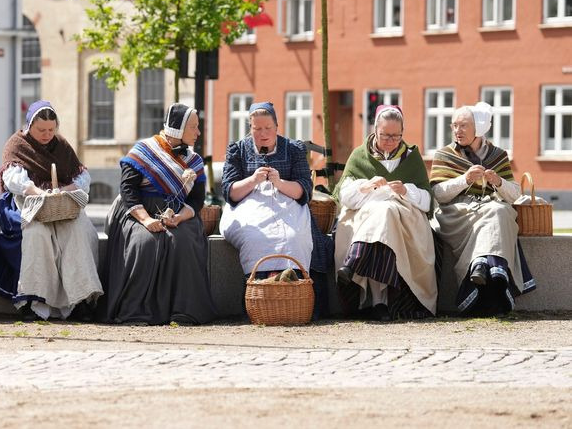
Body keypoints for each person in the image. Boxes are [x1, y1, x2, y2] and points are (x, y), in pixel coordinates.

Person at [0, 100, 102, 320]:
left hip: (62, 204)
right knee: (37, 234)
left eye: (51, 129)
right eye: (41, 130)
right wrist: (38, 193)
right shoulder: (16, 144)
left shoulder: (62, 144)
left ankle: (80, 300)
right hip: (26, 201)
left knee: (79, 231)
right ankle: (35, 301)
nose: (47, 134)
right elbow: (13, 179)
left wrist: (67, 189)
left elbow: (81, 176)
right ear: (30, 125)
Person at [101, 103, 217, 325]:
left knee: (183, 241)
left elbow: (196, 199)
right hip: (138, 211)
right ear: (178, 129)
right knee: (144, 243)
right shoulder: (143, 152)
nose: (198, 132)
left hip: (179, 214)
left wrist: (180, 217)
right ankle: (135, 311)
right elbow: (128, 190)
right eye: (194, 127)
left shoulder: (194, 161)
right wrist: (146, 220)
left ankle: (184, 311)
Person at [219, 101, 333, 318]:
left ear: (277, 126)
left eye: (267, 128)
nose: (262, 134)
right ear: (250, 128)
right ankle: (258, 296)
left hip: (287, 202)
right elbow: (229, 191)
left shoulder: (293, 148)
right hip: (249, 204)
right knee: (254, 236)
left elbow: (304, 189)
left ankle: (295, 292)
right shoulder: (238, 149)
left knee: (293, 236)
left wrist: (279, 183)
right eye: (257, 129)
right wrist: (253, 180)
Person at [430, 102, 536, 315]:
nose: (457, 131)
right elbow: (438, 194)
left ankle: (481, 269)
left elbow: (515, 195)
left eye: (463, 126)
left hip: (488, 209)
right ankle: (496, 276)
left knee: (500, 211)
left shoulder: (498, 155)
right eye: (454, 125)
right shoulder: (444, 154)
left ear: (477, 129)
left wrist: (498, 181)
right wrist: (464, 179)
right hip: (456, 213)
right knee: (494, 213)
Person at [333, 105, 438, 321]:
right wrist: (367, 185)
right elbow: (345, 196)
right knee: (381, 211)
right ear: (375, 130)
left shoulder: (412, 158)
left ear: (402, 133)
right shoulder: (359, 156)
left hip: (404, 216)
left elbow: (427, 201)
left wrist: (406, 190)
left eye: (395, 136)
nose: (390, 141)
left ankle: (355, 263)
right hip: (365, 213)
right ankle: (380, 302)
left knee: (387, 210)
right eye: (385, 135)